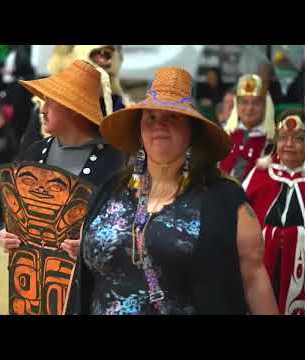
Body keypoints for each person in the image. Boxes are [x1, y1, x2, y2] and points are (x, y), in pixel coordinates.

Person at [65, 67, 278, 315]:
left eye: (173, 117)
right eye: (151, 117)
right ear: (139, 129)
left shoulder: (226, 202)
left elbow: (253, 280)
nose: (160, 125)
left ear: (192, 131)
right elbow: (84, 274)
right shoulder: (109, 191)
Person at [0, 60, 127, 259]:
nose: (43, 109)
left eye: (50, 101)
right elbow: (20, 217)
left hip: (89, 284)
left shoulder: (115, 160)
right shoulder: (35, 151)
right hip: (35, 279)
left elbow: (123, 227)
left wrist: (91, 244)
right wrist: (9, 234)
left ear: (73, 108)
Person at [243, 109, 305, 315]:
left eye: (298, 139)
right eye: (284, 138)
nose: (289, 144)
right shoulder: (260, 176)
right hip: (261, 270)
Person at [220, 74, 276, 182]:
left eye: (255, 103)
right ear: (237, 105)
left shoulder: (272, 140)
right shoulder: (224, 135)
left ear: (265, 106)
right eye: (244, 102)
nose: (249, 108)